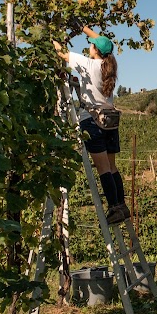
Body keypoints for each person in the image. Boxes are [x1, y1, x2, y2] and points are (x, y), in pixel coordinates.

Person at [53, 27, 130, 224]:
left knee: (103, 168)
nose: (89, 45)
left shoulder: (88, 64)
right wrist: (85, 29)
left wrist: (49, 38)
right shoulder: (108, 65)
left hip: (92, 120)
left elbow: (61, 51)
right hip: (110, 120)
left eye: (91, 44)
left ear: (95, 49)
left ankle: (113, 208)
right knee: (112, 168)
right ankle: (121, 205)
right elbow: (107, 45)